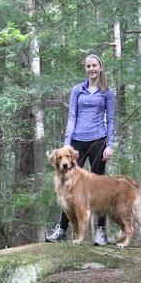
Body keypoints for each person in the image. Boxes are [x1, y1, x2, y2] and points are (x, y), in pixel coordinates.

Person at [46, 53, 116, 245]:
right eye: (88, 66)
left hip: (98, 141)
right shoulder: (77, 90)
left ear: (100, 68)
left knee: (99, 187)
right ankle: (61, 229)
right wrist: (67, 143)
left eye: (95, 66)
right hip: (77, 142)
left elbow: (111, 120)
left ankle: (101, 231)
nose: (92, 69)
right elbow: (72, 117)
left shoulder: (108, 93)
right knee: (67, 186)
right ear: (85, 69)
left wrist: (109, 145)